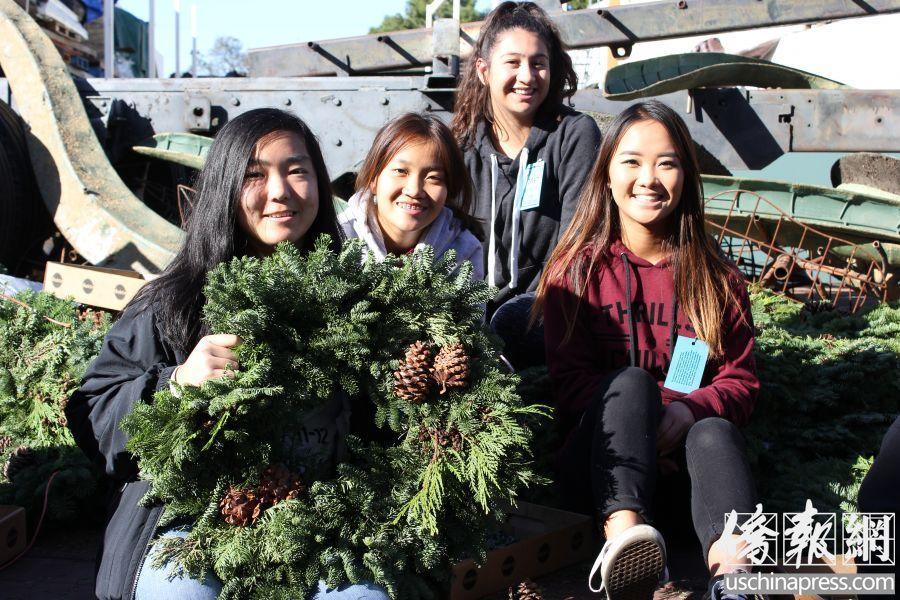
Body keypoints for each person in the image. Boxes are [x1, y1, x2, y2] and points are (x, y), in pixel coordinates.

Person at [65, 108, 389, 600]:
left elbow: (385, 427)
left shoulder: (356, 302)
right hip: (188, 522)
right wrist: (176, 381)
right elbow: (94, 415)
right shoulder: (173, 303)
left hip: (329, 520)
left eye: (296, 170)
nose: (280, 191)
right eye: (254, 175)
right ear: (224, 188)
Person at [534, 100, 761, 600]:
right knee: (631, 385)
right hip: (598, 479)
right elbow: (570, 387)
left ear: (686, 176)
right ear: (608, 175)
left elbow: (741, 382)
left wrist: (687, 410)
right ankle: (625, 545)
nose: (649, 178)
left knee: (714, 431)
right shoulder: (575, 273)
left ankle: (735, 576)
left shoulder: (715, 279)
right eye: (632, 161)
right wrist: (645, 416)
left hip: (683, 483)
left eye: (667, 162)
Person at [451, 0, 601, 369]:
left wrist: (527, 310)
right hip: (466, 319)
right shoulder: (460, 147)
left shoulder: (573, 136)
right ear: (484, 71)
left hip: (548, 314)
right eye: (513, 62)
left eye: (538, 63)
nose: (527, 76)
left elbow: (577, 244)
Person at [339, 113, 483, 280]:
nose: (414, 190)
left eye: (433, 177)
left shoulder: (463, 250)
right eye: (401, 171)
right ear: (373, 179)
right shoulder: (337, 238)